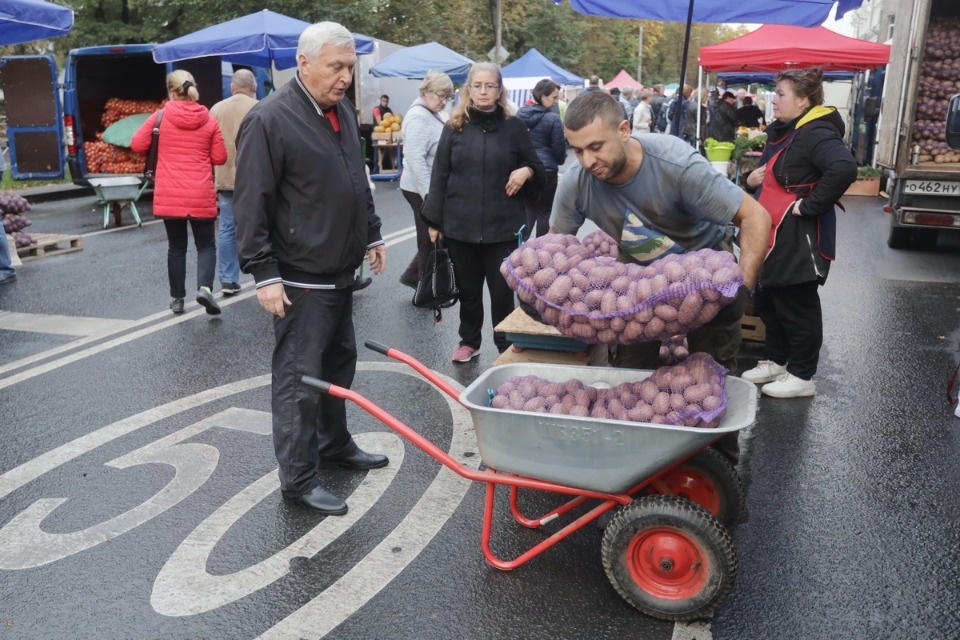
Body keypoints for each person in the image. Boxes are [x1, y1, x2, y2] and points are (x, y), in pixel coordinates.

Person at [233, 21, 388, 515]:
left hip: (339, 270)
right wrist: (263, 272)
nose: (345, 77)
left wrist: (373, 232)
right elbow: (251, 201)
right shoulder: (269, 118)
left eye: (350, 67)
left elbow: (355, 180)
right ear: (303, 63)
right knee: (300, 380)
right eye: (335, 67)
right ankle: (298, 480)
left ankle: (334, 444)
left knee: (339, 365)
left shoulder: (339, 108)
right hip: (299, 277)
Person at [550, 89, 771, 374]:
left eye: (596, 146)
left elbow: (755, 216)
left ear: (624, 130)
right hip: (638, 277)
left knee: (711, 372)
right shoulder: (577, 184)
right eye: (578, 150)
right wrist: (550, 297)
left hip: (704, 270)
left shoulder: (676, 164)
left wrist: (741, 290)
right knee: (629, 375)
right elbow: (555, 247)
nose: (587, 161)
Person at [741, 67, 856, 398]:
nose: (773, 100)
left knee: (797, 304)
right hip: (772, 233)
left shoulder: (815, 131)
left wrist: (809, 206)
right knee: (770, 299)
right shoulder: (786, 130)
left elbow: (843, 168)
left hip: (799, 237)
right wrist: (749, 182)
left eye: (780, 94)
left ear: (803, 100)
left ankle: (802, 376)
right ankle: (776, 361)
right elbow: (769, 173)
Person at [421, 62, 545, 362]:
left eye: (490, 86)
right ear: (468, 89)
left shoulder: (514, 127)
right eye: (477, 85)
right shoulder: (455, 127)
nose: (483, 91)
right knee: (469, 292)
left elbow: (538, 168)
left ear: (499, 90)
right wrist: (434, 220)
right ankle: (469, 341)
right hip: (459, 226)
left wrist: (526, 171)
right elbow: (439, 174)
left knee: (502, 294)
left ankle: (504, 345)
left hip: (502, 227)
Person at [131, 70, 227, 316]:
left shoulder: (160, 117)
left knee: (176, 247)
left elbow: (137, 144)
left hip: (170, 192)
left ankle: (177, 299)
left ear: (171, 91)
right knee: (206, 244)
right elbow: (219, 157)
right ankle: (204, 288)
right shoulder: (208, 119)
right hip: (200, 192)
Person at [397, 70, 454, 290]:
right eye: (440, 95)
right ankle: (425, 289)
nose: (443, 101)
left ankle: (415, 277)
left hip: (430, 187)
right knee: (431, 236)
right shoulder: (419, 117)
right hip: (419, 188)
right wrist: (430, 198)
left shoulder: (433, 112)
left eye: (447, 96)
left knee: (432, 237)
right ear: (425, 92)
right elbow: (414, 160)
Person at [210, 69, 258, 297]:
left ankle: (228, 280)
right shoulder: (259, 107)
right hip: (256, 178)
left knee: (227, 229)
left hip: (226, 179)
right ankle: (265, 275)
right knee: (261, 226)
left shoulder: (216, 109)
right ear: (254, 87)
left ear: (232, 87)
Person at [517, 78, 566, 239]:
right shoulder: (553, 119)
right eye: (554, 97)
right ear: (543, 96)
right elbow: (559, 146)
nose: (555, 101)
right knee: (544, 211)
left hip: (525, 169)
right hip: (547, 169)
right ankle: (539, 250)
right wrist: (559, 160)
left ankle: (519, 246)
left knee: (529, 209)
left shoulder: (520, 115)